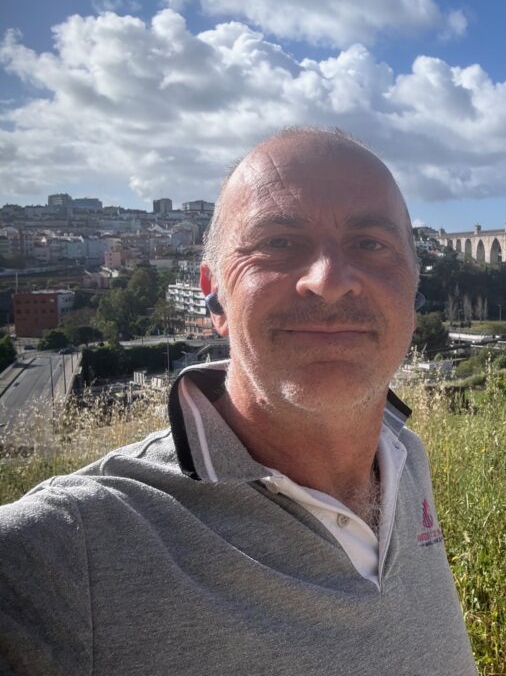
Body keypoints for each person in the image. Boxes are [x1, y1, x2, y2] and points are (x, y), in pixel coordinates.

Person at [0, 128, 478, 675]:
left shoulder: (406, 456)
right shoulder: (81, 543)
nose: (329, 281)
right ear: (214, 296)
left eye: (371, 244)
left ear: (414, 286)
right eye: (278, 242)